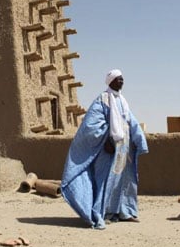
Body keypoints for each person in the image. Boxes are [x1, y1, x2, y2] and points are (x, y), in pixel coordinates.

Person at [60, 69, 149, 229]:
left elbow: (131, 121)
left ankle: (123, 212)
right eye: (118, 79)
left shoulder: (122, 100)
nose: (121, 81)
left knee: (122, 182)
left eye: (122, 78)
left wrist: (140, 140)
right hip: (107, 149)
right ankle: (99, 214)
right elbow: (90, 125)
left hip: (122, 149)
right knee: (105, 181)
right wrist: (106, 139)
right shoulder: (102, 100)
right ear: (111, 81)